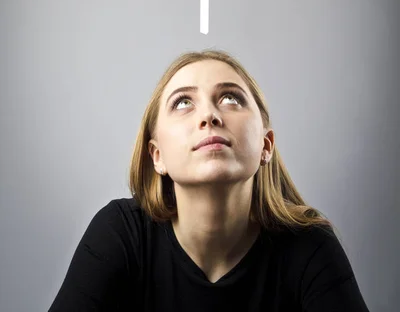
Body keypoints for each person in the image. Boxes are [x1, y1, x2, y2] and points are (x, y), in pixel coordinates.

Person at [48, 49, 370, 311]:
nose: (209, 116)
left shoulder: (309, 247)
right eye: (183, 102)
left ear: (265, 145)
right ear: (156, 156)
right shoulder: (120, 234)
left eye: (231, 98)